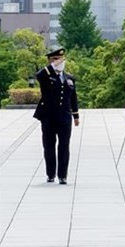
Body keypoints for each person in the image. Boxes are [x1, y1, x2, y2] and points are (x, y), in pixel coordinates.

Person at [33, 46, 80, 184]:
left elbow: (73, 98)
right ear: (50, 61)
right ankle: (51, 174)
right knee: (49, 145)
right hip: (48, 117)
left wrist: (76, 116)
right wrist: (52, 66)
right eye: (55, 59)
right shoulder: (46, 76)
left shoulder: (69, 78)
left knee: (64, 145)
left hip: (64, 117)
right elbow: (39, 75)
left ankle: (63, 175)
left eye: (60, 59)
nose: (58, 61)